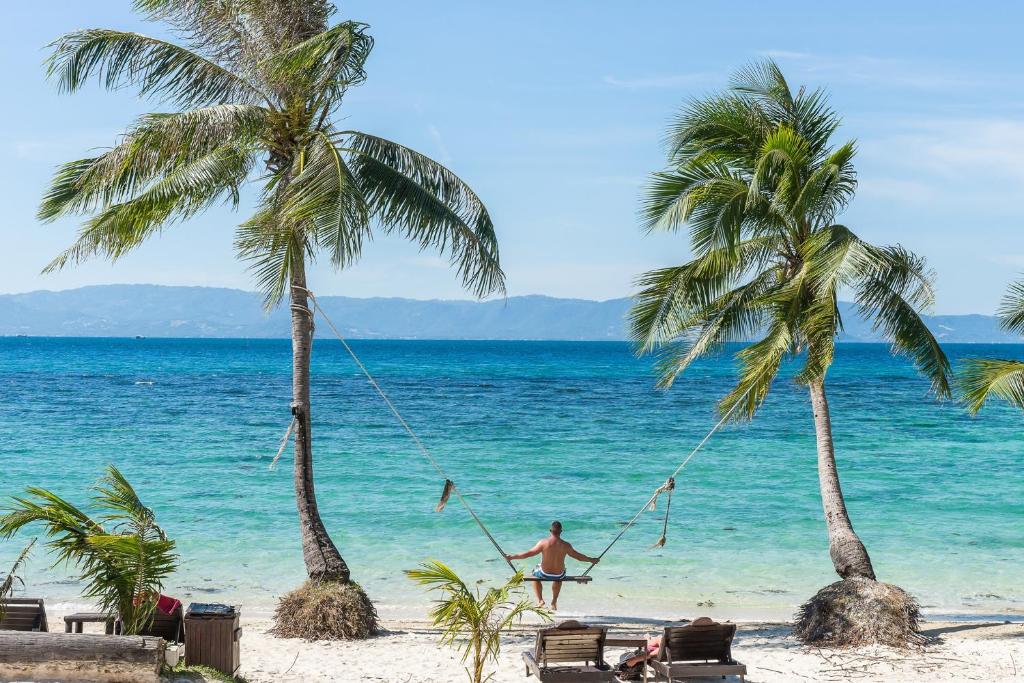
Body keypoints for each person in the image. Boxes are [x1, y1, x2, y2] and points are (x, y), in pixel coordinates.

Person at [505, 520, 599, 610]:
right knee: (559, 576)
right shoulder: (566, 545)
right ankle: (554, 602)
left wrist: (512, 557)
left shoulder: (543, 543)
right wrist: (591, 560)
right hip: (559, 574)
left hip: (544, 573)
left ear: (550, 531)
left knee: (534, 574)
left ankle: (540, 600)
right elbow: (579, 557)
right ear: (561, 531)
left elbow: (528, 554)